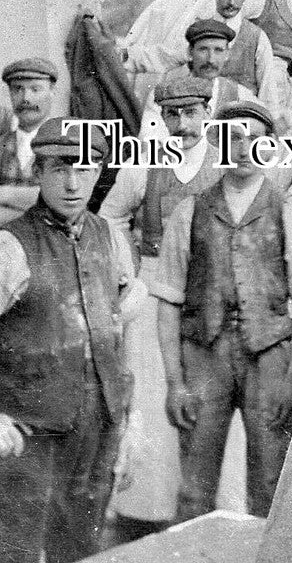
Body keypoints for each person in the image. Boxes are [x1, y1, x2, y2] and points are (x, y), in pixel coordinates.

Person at [154, 101, 292, 522]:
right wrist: (175, 381)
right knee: (194, 489)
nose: (243, 148)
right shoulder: (189, 211)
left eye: (254, 139)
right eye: (232, 138)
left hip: (269, 358)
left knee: (268, 485)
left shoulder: (289, 210)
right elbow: (169, 301)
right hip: (203, 357)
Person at [0, 119, 132, 563]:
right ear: (38, 172)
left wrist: (127, 418)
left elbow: (117, 328)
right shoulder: (11, 247)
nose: (72, 182)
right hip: (29, 429)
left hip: (99, 424)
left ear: (99, 172)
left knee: (80, 546)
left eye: (84, 167)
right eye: (58, 169)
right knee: (17, 548)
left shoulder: (111, 236)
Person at [99, 77, 223, 537]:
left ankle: (209, 508)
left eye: (191, 113)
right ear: (162, 118)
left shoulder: (226, 162)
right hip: (155, 289)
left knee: (209, 397)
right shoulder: (145, 164)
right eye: (173, 114)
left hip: (209, 295)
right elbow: (110, 217)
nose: (183, 124)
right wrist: (130, 270)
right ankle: (145, 510)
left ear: (207, 115)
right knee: (152, 398)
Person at [142, 21, 262, 139]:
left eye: (218, 50)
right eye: (203, 49)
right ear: (190, 52)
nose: (211, 59)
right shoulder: (164, 95)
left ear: (227, 54)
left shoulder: (240, 94)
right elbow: (149, 143)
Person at [206, 0, 277, 105]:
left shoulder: (257, 37)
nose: (232, 2)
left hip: (244, 114)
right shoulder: (200, 32)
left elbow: (268, 93)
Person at [0, 58, 56, 225]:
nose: (25, 98)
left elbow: (59, 199)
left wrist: (4, 194)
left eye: (35, 89)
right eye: (18, 89)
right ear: (10, 94)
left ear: (52, 92)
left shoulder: (66, 144)